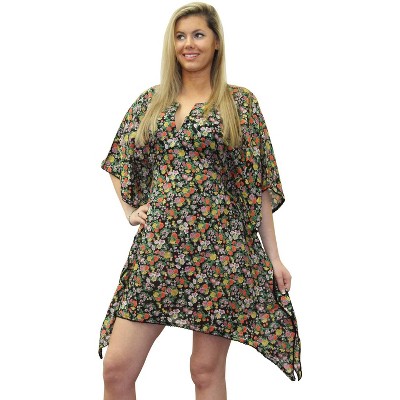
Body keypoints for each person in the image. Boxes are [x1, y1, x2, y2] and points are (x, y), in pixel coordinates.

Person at [99, 2, 302, 399]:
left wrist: (275, 257)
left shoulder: (239, 103)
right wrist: (129, 210)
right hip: (159, 249)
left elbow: (258, 183)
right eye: (180, 36)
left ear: (216, 42)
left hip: (220, 252)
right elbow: (118, 159)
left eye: (197, 35)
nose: (188, 44)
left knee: (204, 370)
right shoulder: (152, 102)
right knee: (117, 368)